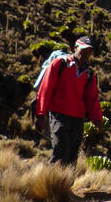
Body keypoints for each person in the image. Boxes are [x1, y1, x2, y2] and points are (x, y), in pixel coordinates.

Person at [35, 36, 103, 166]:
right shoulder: (60, 64)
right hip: (59, 115)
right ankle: (53, 182)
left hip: (77, 119)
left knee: (72, 154)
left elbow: (92, 99)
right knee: (60, 150)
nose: (86, 54)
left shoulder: (89, 74)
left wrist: (97, 119)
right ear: (75, 48)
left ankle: (67, 183)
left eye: (89, 51)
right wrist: (41, 115)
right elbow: (45, 89)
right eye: (83, 50)